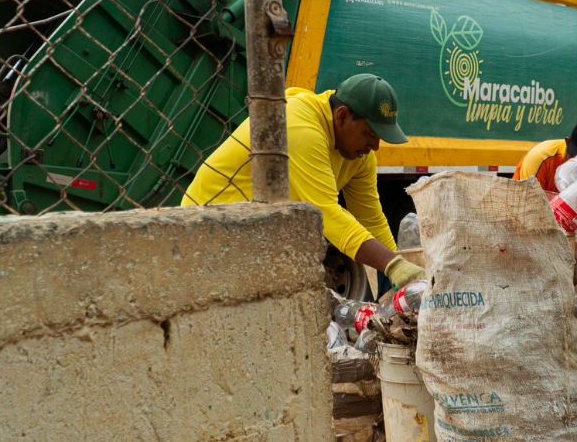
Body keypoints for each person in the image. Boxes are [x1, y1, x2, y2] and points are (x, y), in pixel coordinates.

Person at [181, 73, 426, 289]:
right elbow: (325, 214)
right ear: (341, 117)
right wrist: (391, 264)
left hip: (256, 235)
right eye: (370, 134)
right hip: (208, 225)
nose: (375, 146)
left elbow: (371, 219)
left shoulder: (360, 156)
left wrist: (398, 273)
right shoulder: (301, 126)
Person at [512, 120, 577, 192]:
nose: (576, 162)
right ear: (567, 142)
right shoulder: (541, 157)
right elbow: (527, 199)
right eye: (575, 157)